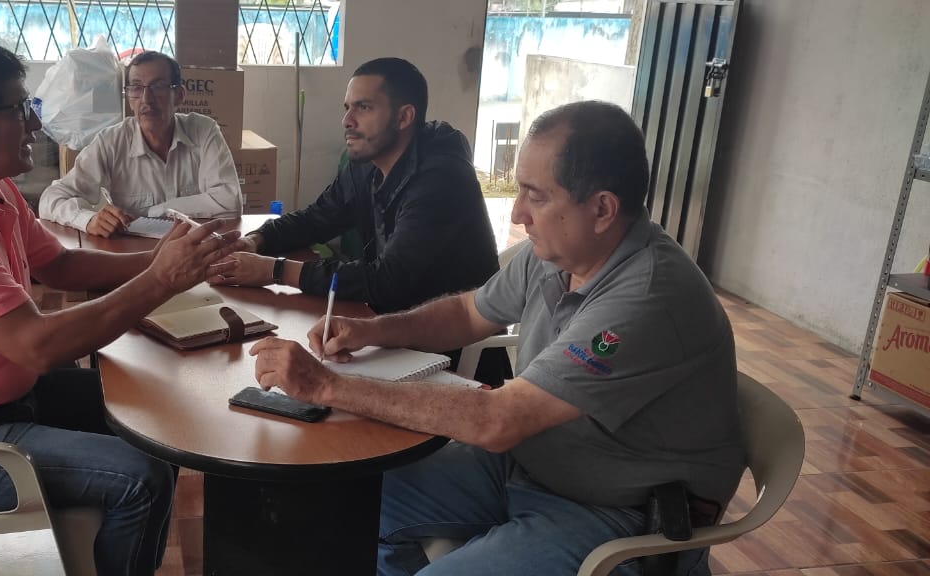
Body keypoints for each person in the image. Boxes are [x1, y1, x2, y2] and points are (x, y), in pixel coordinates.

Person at [249, 101, 746, 576]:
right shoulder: (560, 254)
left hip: (615, 511)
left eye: (536, 195)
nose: (517, 214)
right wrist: (374, 329)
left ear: (602, 209)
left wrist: (325, 386)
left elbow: (496, 420)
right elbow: (469, 312)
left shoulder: (648, 297)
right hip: (527, 463)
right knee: (345, 498)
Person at [0, 39, 239, 576]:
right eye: (19, 110)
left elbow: (60, 265)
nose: (36, 124)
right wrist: (161, 279)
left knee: (157, 416)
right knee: (140, 477)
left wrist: (159, 259)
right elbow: (38, 346)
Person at [209, 57, 498, 316]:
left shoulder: (441, 178)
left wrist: (275, 270)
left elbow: (389, 281)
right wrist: (256, 241)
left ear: (404, 117)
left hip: (447, 341)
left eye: (363, 107)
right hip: (387, 320)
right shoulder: (368, 164)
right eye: (347, 108)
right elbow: (316, 219)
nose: (347, 121)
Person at [39, 50, 241, 237]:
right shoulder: (111, 142)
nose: (146, 99)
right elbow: (51, 198)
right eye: (136, 88)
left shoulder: (203, 131)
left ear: (179, 95)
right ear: (128, 97)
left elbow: (229, 201)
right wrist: (88, 219)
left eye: (158, 87)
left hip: (194, 249)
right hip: (136, 253)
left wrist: (156, 211)